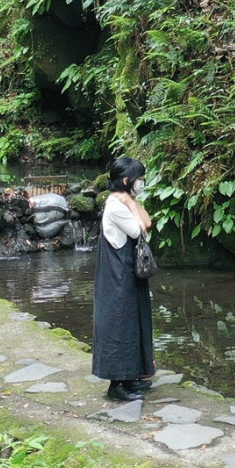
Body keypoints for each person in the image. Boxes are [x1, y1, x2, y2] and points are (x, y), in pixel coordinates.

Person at [92, 157, 155, 403]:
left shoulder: (125, 200)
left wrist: (132, 200)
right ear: (127, 180)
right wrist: (129, 202)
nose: (142, 183)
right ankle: (116, 385)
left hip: (127, 272)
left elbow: (146, 220)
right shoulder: (116, 206)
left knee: (133, 321)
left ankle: (131, 376)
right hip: (118, 276)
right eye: (140, 179)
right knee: (120, 324)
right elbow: (142, 228)